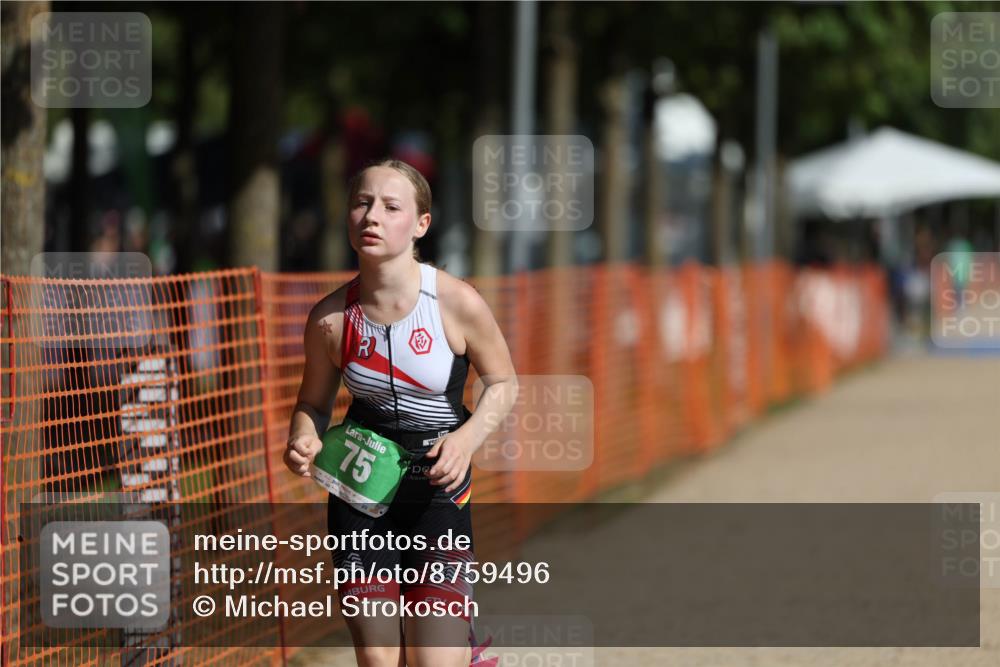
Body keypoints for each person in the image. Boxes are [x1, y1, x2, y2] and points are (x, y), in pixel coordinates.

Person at [284, 159, 517, 667]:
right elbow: (313, 403)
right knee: (379, 657)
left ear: (420, 225)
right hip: (360, 494)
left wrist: (466, 440)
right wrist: (302, 438)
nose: (372, 216)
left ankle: (465, 647)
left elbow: (504, 383)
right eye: (362, 203)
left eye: (391, 207)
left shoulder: (456, 303)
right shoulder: (328, 319)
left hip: (437, 493)